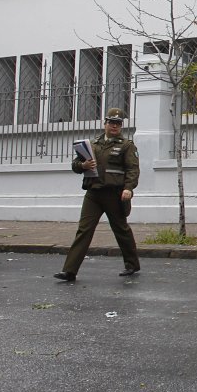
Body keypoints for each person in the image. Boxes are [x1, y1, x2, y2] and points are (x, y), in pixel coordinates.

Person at [54, 108, 141, 282]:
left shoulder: (126, 146)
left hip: (114, 193)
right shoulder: (92, 144)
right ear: (105, 124)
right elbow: (75, 165)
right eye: (111, 122)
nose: (114, 126)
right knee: (84, 230)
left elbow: (133, 169)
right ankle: (69, 270)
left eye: (118, 123)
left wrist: (129, 188)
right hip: (93, 193)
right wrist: (83, 165)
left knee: (121, 229)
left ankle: (132, 264)